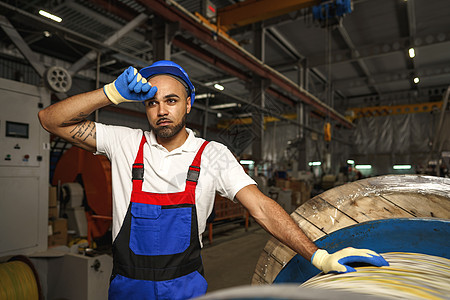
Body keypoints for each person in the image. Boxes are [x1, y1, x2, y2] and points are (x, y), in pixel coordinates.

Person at [38, 60, 388, 299]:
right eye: (152, 103)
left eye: (171, 101)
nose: (161, 111)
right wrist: (110, 93)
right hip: (129, 288)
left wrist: (319, 256)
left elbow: (263, 208)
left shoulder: (212, 155)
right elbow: (50, 120)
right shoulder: (126, 143)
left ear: (188, 104)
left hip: (186, 288)